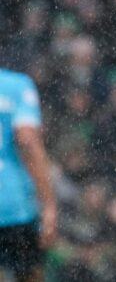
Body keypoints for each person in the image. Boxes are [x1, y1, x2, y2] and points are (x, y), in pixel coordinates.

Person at [0, 68, 57, 282]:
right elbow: (27, 141)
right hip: (13, 206)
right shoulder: (16, 86)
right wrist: (49, 205)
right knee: (29, 275)